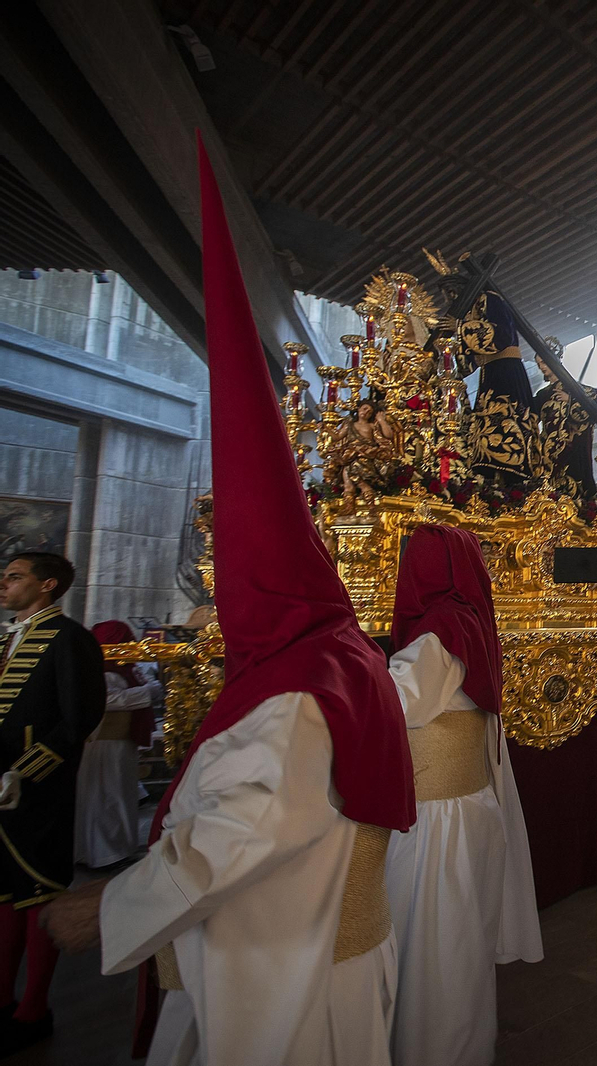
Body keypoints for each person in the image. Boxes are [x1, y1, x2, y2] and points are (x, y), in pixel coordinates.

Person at [41, 137, 416, 1066]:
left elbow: (243, 827)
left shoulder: (296, 692)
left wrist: (111, 906)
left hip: (285, 973)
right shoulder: (339, 651)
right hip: (306, 951)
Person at [385, 524, 543, 1066]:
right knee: (455, 950)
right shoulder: (468, 622)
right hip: (461, 810)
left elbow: (395, 701)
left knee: (436, 955)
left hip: (438, 822)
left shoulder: (441, 632)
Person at [0, 551, 104, 1055]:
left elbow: (79, 716)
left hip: (38, 790)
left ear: (47, 585)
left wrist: (27, 771)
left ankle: (34, 1009)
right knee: (4, 894)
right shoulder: (7, 639)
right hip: (1, 785)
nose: (4, 583)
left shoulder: (68, 638)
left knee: (37, 892)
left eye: (14, 576)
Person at [77, 621, 160, 869]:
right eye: (127, 639)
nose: (132, 644)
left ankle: (117, 849)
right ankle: (104, 854)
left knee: (119, 795)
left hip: (121, 740)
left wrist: (149, 688)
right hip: (104, 742)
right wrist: (149, 692)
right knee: (105, 798)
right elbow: (108, 699)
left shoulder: (124, 667)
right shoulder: (101, 668)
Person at [466, 289, 539, 488]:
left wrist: (462, 328)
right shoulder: (473, 309)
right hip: (490, 373)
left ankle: (510, 479)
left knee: (507, 422)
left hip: (505, 372)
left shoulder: (490, 299)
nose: (450, 299)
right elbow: (467, 363)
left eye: (451, 293)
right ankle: (492, 480)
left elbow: (502, 335)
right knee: (485, 428)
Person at [534, 356, 597, 499]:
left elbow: (596, 411)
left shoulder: (579, 390)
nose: (541, 367)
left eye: (544, 362)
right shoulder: (542, 395)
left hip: (574, 449)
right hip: (548, 452)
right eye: (538, 364)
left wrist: (571, 400)